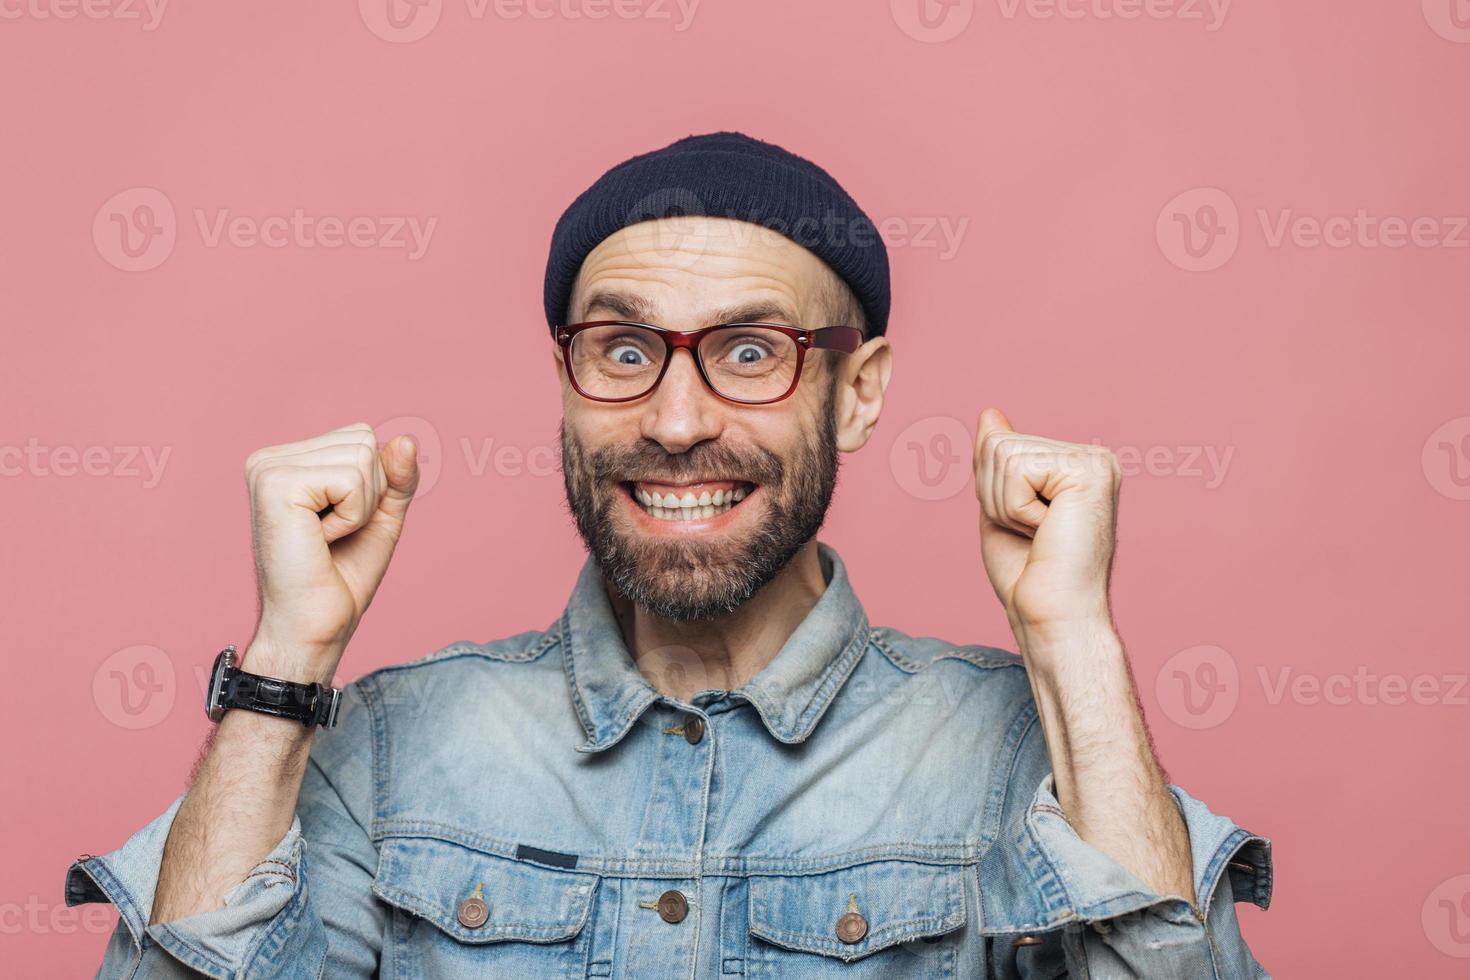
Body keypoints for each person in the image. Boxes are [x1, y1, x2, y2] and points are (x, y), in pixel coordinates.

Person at [67, 132, 1271, 978]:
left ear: (858, 394)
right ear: (565, 379)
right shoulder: (378, 749)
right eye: (625, 348)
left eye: (751, 353)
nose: (678, 421)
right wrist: (289, 657)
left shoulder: (1019, 747)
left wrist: (1075, 649)